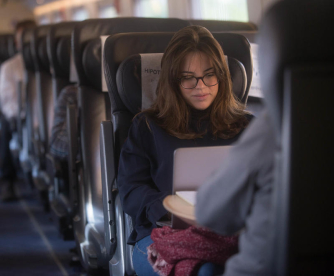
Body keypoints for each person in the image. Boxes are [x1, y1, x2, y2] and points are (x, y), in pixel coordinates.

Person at [117, 25, 253, 276]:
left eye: (210, 75)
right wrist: (169, 208)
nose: (201, 86)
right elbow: (130, 190)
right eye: (188, 77)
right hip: (163, 235)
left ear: (222, 76)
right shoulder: (147, 126)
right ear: (173, 81)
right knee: (207, 270)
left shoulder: (247, 127)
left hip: (232, 231)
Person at [195, 110, 275, 276]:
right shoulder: (147, 126)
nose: (200, 86)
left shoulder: (267, 126)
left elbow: (211, 213)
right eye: (187, 81)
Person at [0, 19, 36, 201]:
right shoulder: (9, 67)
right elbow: (9, 104)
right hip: (22, 119)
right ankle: (8, 181)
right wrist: (28, 117)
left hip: (46, 120)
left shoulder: (53, 65)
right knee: (6, 123)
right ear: (17, 43)